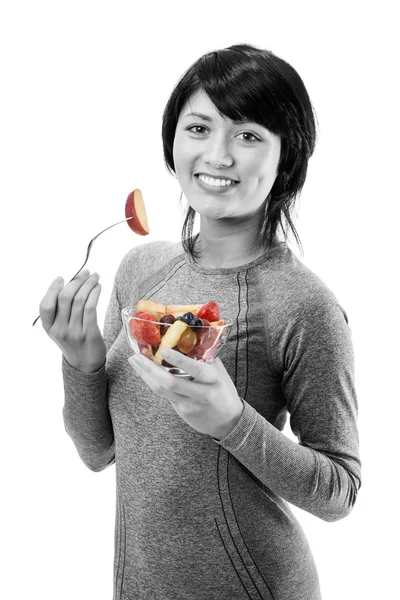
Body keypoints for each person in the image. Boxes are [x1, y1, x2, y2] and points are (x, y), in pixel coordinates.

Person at [39, 43, 362, 600]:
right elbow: (98, 453)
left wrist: (233, 421)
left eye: (249, 135)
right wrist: (82, 363)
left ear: (287, 158)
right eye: (199, 128)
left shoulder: (305, 306)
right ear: (173, 141)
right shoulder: (141, 268)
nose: (218, 155)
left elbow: (340, 490)